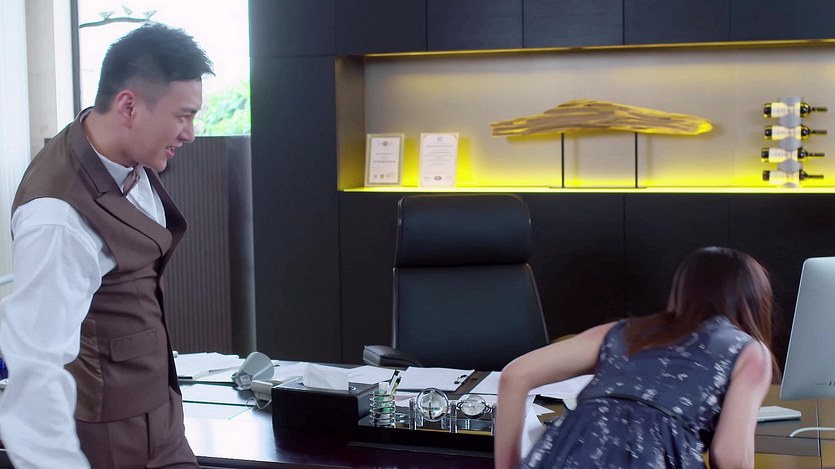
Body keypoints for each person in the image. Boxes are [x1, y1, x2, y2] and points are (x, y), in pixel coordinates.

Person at [0, 23, 213, 468]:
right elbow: (36, 370)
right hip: (112, 442)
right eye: (183, 116)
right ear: (128, 106)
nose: (190, 133)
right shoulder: (57, 217)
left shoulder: (121, 150)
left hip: (163, 421)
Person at [495, 246, 776, 469]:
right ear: (753, 299)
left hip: (567, 450)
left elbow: (515, 376)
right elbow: (729, 457)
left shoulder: (625, 331)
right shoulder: (748, 351)